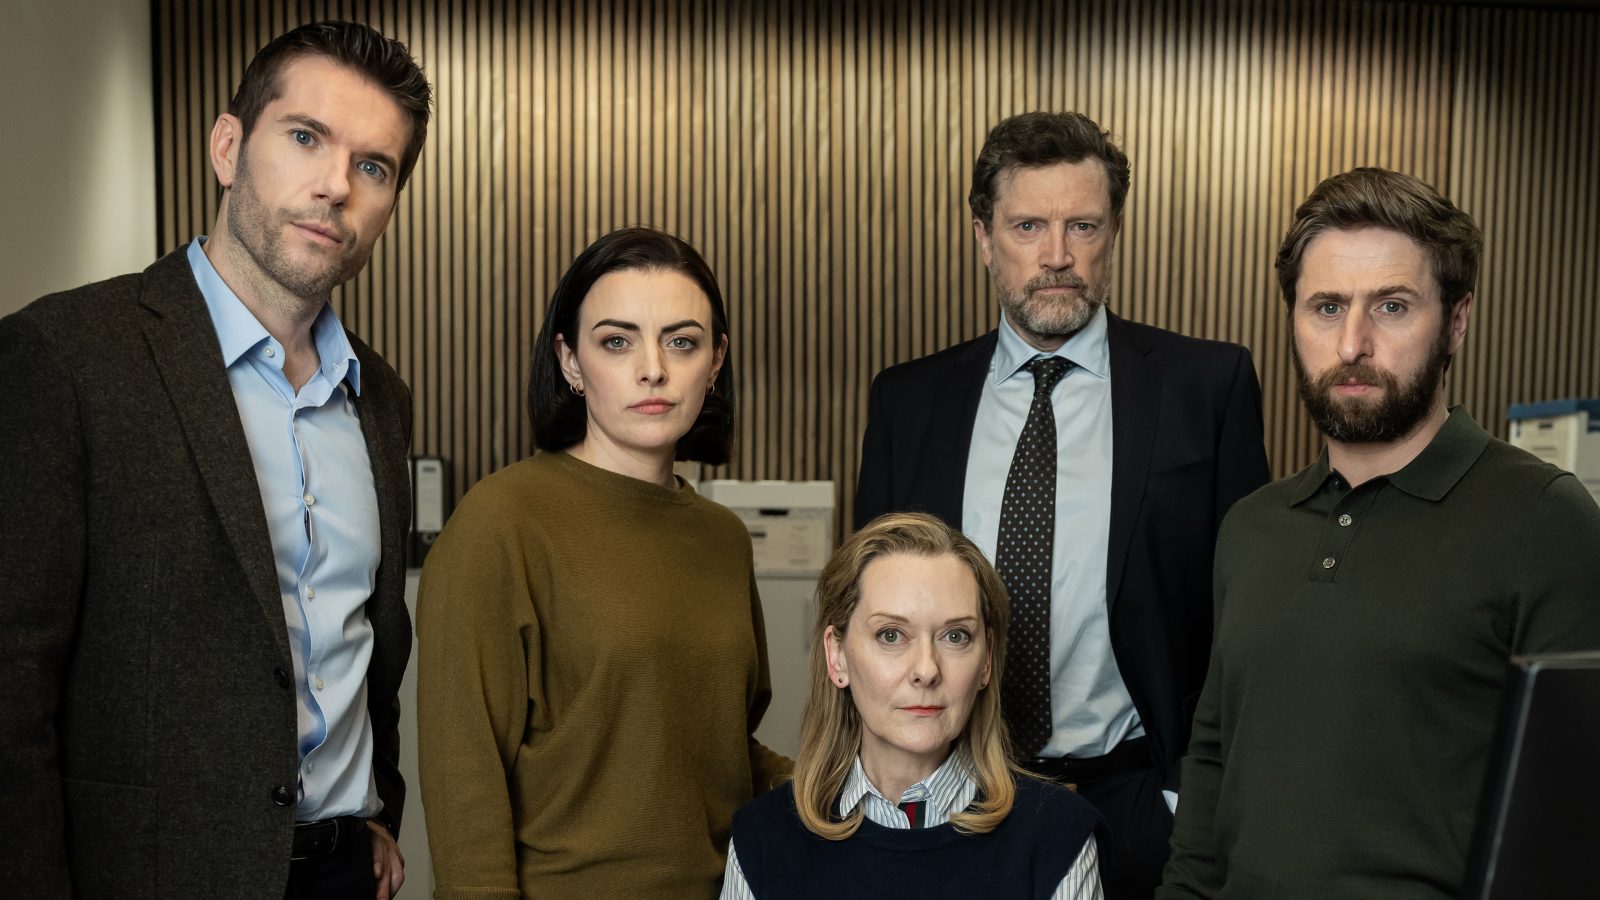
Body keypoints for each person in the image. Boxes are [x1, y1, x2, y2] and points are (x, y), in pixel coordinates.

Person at [0, 21, 431, 900]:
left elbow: (364, 643)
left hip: (346, 874)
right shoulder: (67, 355)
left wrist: (376, 804)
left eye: (374, 166)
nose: (335, 187)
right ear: (228, 146)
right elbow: (11, 691)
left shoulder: (380, 398)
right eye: (305, 137)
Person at [853, 111, 1269, 898]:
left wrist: (1190, 798)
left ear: (1114, 231)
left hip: (1138, 801)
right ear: (984, 239)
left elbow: (1246, 613)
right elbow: (864, 611)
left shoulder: (1204, 389)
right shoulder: (909, 401)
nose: (1056, 256)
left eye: (1083, 225)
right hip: (947, 795)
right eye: (1028, 226)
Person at [1157, 167, 1600, 899]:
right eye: (1326, 307)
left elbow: (1574, 824)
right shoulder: (1252, 527)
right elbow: (1211, 765)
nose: (1353, 342)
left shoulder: (1548, 521)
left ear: (1456, 321)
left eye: (1392, 306)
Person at [416, 226, 790, 898]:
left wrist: (854, 777)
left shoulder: (722, 537)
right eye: (617, 341)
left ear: (715, 360)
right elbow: (463, 776)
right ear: (570, 361)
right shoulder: (502, 522)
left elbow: (718, 750)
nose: (654, 368)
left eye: (682, 341)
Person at [721, 512, 1104, 899]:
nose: (926, 670)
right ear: (837, 657)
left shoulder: (1057, 836)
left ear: (986, 661)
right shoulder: (762, 841)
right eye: (891, 635)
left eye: (955, 636)